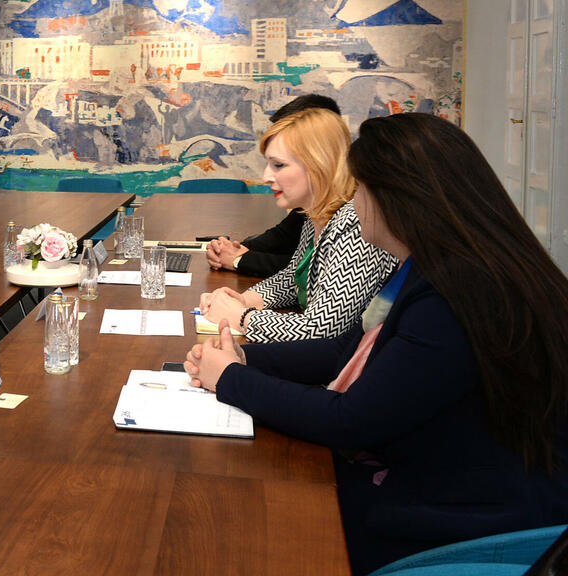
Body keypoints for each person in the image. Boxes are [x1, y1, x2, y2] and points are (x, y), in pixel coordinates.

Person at [185, 113, 568, 575]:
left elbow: (351, 421)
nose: (354, 202)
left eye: (361, 189)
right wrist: (245, 357)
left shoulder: (458, 293)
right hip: (446, 483)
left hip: (473, 521)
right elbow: (345, 350)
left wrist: (231, 379)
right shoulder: (438, 266)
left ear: (396, 198)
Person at [199, 107, 396, 342]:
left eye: (278, 165)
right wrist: (242, 299)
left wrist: (241, 317)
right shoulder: (316, 213)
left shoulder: (356, 224)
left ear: (319, 164)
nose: (266, 177)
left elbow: (321, 330)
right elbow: (292, 279)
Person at [206, 93, 341, 277]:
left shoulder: (351, 219)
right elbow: (290, 265)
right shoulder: (314, 208)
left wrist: (239, 259)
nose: (266, 177)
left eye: (279, 164)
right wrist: (228, 250)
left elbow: (304, 272)